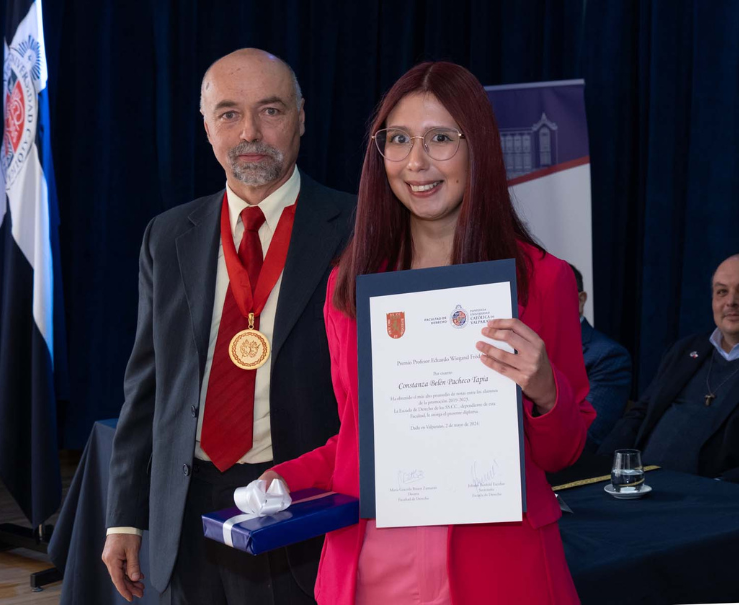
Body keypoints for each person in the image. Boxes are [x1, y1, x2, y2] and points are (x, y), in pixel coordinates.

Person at [262, 62, 595, 605]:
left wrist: (545, 391)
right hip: (374, 563)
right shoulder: (349, 287)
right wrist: (282, 478)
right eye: (398, 139)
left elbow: (565, 452)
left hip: (497, 564)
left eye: (440, 138)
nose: (416, 162)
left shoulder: (542, 280)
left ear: (478, 147)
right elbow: (356, 441)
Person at [101, 49, 355, 605]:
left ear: (302, 118)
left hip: (300, 504)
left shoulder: (360, 230)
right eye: (229, 114)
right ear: (207, 127)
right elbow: (147, 389)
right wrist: (124, 517)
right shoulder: (168, 235)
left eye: (270, 110)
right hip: (185, 509)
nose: (250, 133)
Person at [599, 253, 739, 495]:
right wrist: (599, 468)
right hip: (638, 491)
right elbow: (641, 415)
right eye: (721, 292)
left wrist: (713, 489)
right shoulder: (685, 349)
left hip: (718, 502)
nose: (731, 301)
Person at [568, 264, 632, 449]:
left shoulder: (608, 356)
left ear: (580, 300)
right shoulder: (517, 348)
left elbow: (588, 436)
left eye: (552, 295)